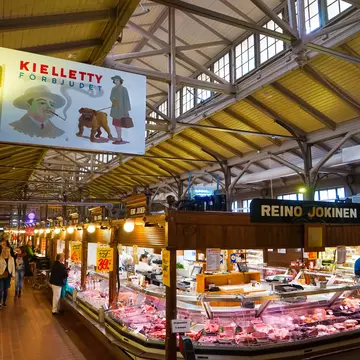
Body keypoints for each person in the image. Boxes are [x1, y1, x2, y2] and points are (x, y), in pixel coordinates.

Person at [109, 75, 131, 144]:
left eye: (117, 80)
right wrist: (114, 101)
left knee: (118, 124)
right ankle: (119, 137)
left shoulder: (123, 89)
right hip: (115, 109)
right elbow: (111, 97)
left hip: (121, 110)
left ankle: (119, 138)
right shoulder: (113, 88)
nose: (116, 81)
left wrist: (126, 111)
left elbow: (126, 100)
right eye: (115, 80)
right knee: (116, 124)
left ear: (120, 81)